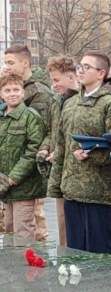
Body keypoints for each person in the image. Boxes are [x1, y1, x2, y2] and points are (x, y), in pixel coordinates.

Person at [47, 51, 111, 254]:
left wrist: (93, 154)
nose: (80, 70)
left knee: (98, 256)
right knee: (75, 255)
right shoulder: (70, 103)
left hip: (98, 192)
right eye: (80, 66)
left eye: (87, 67)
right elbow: (61, 146)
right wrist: (57, 185)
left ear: (101, 73)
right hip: (72, 190)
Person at [4, 44, 54, 242]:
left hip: (26, 178)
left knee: (29, 228)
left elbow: (39, 137)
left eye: (10, 63)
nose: (6, 67)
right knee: (10, 230)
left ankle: (36, 259)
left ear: (25, 63)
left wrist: (13, 176)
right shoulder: (11, 98)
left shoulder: (38, 92)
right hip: (7, 180)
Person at [0, 73, 47, 240]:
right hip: (5, 188)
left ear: (23, 92)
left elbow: (33, 150)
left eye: (16, 89)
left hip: (24, 187)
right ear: (1, 94)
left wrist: (13, 177)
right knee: (9, 231)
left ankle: (26, 258)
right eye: (7, 90)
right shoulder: (1, 118)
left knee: (23, 232)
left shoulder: (30, 116)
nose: (12, 94)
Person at [44, 55, 80, 247]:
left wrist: (58, 152)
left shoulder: (80, 102)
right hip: (60, 171)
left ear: (71, 77)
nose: (54, 85)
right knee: (62, 225)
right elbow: (53, 132)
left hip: (76, 173)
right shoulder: (58, 101)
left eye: (57, 80)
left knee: (73, 228)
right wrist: (46, 149)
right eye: (52, 81)